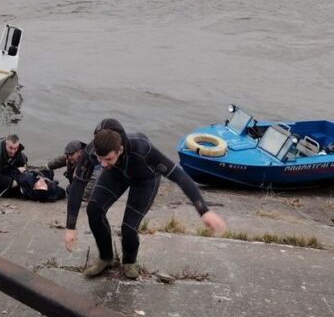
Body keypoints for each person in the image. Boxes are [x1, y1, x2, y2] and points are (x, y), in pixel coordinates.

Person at [64, 118, 227, 280]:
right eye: (100, 159)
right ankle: (106, 258)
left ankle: (129, 262)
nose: (103, 164)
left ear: (119, 150)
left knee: (128, 228)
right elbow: (78, 184)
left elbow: (180, 176)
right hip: (116, 174)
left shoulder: (141, 147)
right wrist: (70, 227)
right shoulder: (94, 150)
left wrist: (204, 211)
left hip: (145, 180)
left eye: (108, 159)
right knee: (94, 209)